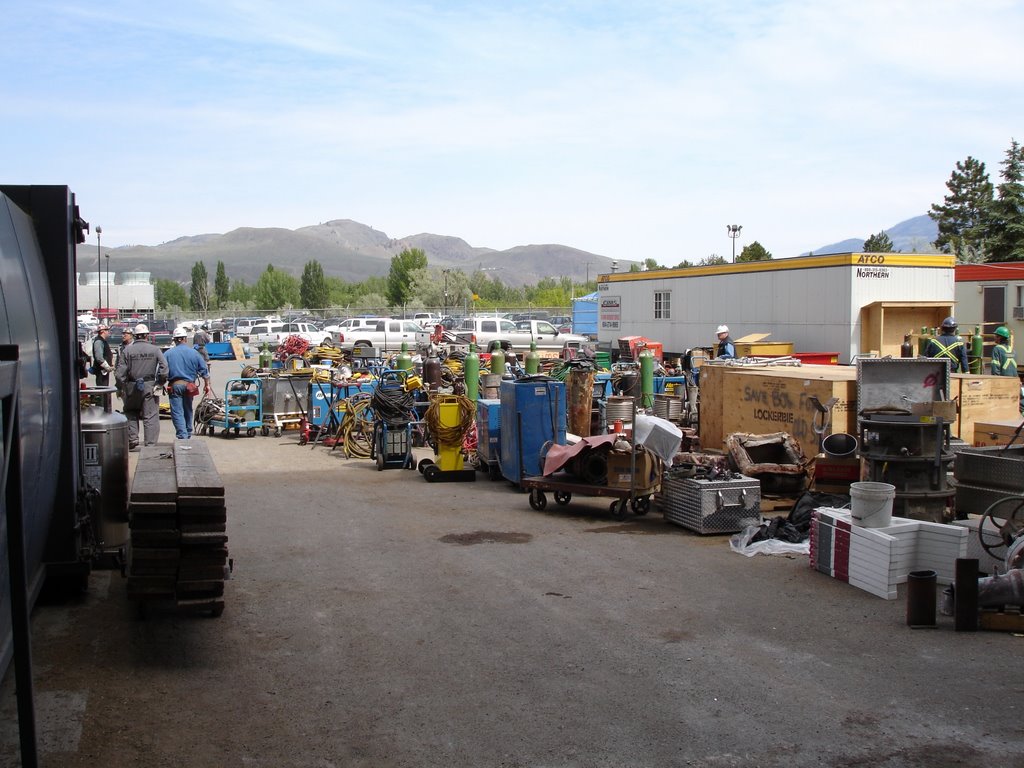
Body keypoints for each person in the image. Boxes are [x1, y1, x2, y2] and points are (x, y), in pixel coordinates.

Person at [115, 323, 168, 450]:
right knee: (150, 415)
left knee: (130, 412)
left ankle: (133, 438)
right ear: (147, 335)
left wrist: (120, 387)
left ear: (135, 336)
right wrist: (160, 383)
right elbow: (164, 368)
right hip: (149, 386)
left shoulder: (127, 350)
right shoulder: (154, 350)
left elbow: (119, 373)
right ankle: (150, 444)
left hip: (131, 386)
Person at [165, 326, 212, 440]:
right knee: (188, 409)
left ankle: (182, 435)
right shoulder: (194, 353)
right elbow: (204, 371)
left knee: (177, 412)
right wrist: (207, 385)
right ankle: (188, 432)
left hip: (175, 386)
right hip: (189, 386)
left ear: (174, 340)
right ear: (185, 339)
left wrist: (160, 383)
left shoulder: (167, 354)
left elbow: (161, 371)